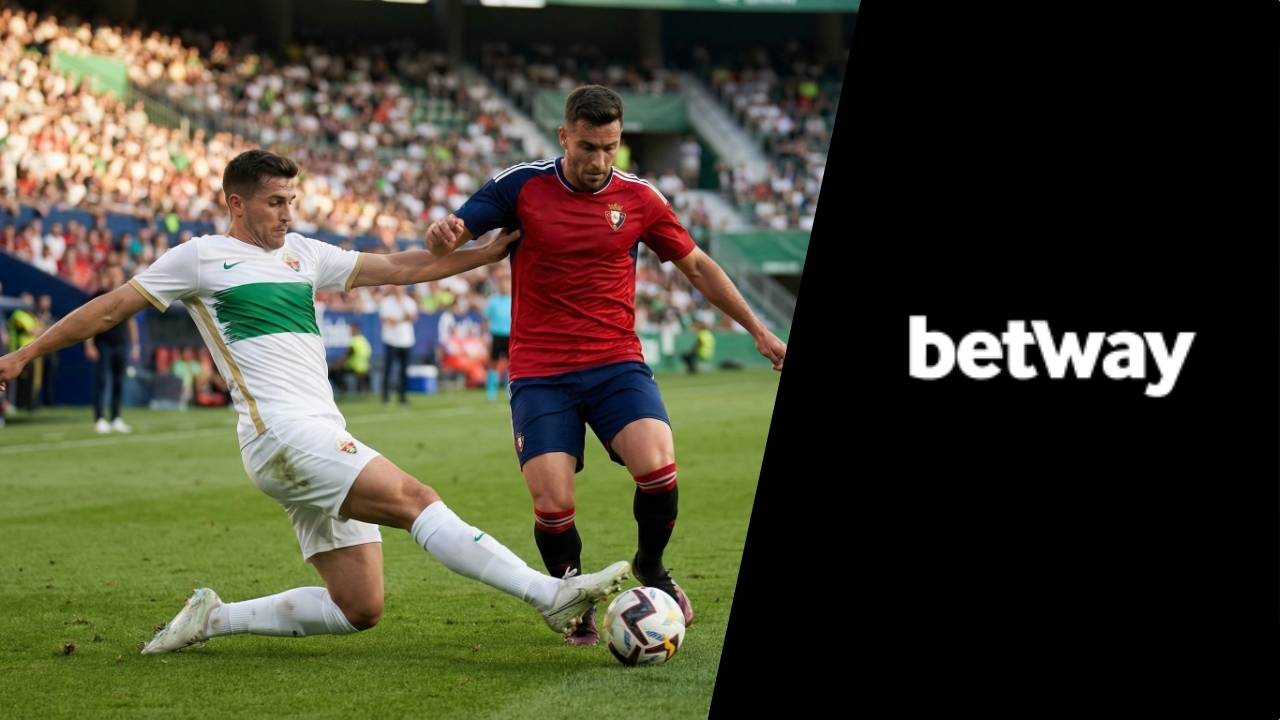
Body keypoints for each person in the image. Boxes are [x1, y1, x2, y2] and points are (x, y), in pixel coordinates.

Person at [0, 149, 628, 655]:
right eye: (275, 202)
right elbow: (109, 309)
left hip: (316, 433)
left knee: (359, 607)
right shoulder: (200, 258)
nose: (287, 214)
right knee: (417, 500)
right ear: (236, 203)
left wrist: (483, 255)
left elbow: (398, 268)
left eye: (292, 201)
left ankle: (213, 619)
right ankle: (549, 595)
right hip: (281, 434)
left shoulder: (305, 254)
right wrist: (24, 355)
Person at [424, 86, 786, 645]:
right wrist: (442, 234)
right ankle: (572, 592)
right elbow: (451, 236)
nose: (598, 161)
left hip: (615, 362)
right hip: (541, 372)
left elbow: (697, 267)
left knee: (658, 466)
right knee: (553, 503)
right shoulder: (521, 186)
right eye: (588, 147)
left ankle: (651, 565)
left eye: (610, 147)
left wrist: (759, 331)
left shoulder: (639, 198)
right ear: (564, 136)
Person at [86, 266, 140, 433]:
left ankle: (116, 418)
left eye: (116, 274)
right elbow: (88, 320)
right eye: (111, 274)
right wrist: (89, 345)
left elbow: (131, 322)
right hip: (103, 343)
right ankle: (99, 418)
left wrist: (135, 345)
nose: (113, 277)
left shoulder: (126, 295)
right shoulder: (98, 295)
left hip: (121, 344)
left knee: (119, 382)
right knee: (101, 381)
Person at [379, 284, 417, 405]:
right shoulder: (386, 302)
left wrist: (401, 307)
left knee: (404, 371)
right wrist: (402, 319)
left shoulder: (409, 302)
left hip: (406, 340)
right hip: (391, 340)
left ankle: (402, 396)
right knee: (388, 370)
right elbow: (388, 320)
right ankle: (385, 397)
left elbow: (411, 317)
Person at [483, 274, 512, 403]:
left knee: (511, 365)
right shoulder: (493, 300)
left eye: (506, 283)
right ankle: (491, 393)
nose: (504, 286)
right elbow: (486, 319)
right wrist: (485, 336)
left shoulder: (513, 299)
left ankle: (510, 390)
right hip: (496, 335)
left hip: (510, 335)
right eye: (502, 283)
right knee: (493, 364)